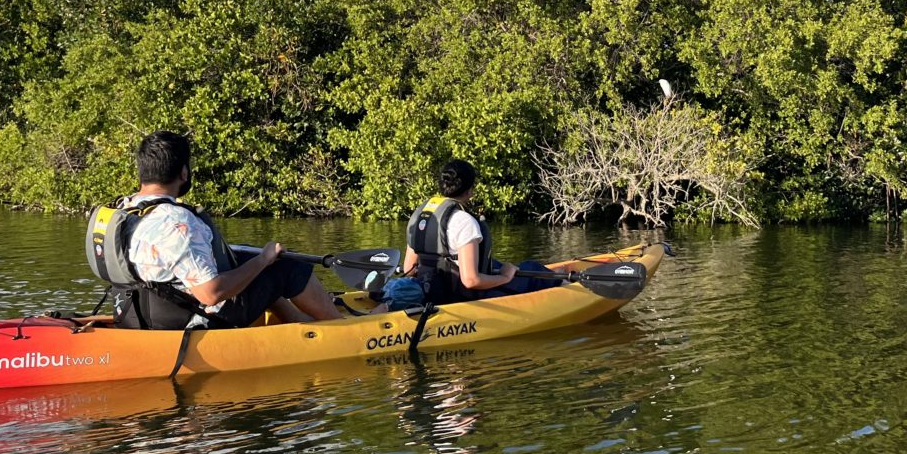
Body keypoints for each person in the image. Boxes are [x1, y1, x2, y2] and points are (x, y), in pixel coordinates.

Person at [93, 131, 344, 330]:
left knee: (248, 265)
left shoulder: (122, 210)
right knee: (287, 266)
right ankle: (342, 327)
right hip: (189, 317)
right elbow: (211, 294)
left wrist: (255, 264)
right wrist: (264, 260)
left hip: (136, 312)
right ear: (183, 172)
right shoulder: (177, 222)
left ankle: (295, 320)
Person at [402, 159, 564, 301]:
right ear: (470, 190)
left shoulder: (420, 215)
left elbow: (408, 270)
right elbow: (471, 280)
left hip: (431, 292)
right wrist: (505, 277)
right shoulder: (464, 221)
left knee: (496, 264)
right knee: (531, 268)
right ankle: (563, 283)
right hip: (462, 297)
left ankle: (556, 276)